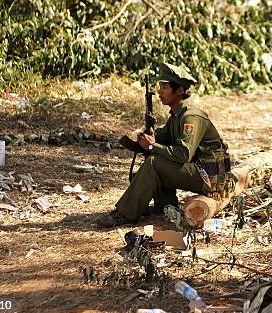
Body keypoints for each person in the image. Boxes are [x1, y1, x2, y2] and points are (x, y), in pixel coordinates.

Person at [98, 63, 234, 227]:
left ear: (180, 91)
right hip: (201, 171)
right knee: (156, 156)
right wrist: (148, 138)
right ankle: (164, 205)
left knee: (154, 162)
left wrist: (152, 146)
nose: (160, 91)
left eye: (165, 87)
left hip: (211, 180)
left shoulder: (191, 117)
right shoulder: (177, 116)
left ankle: (125, 213)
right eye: (160, 86)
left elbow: (184, 154)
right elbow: (162, 139)